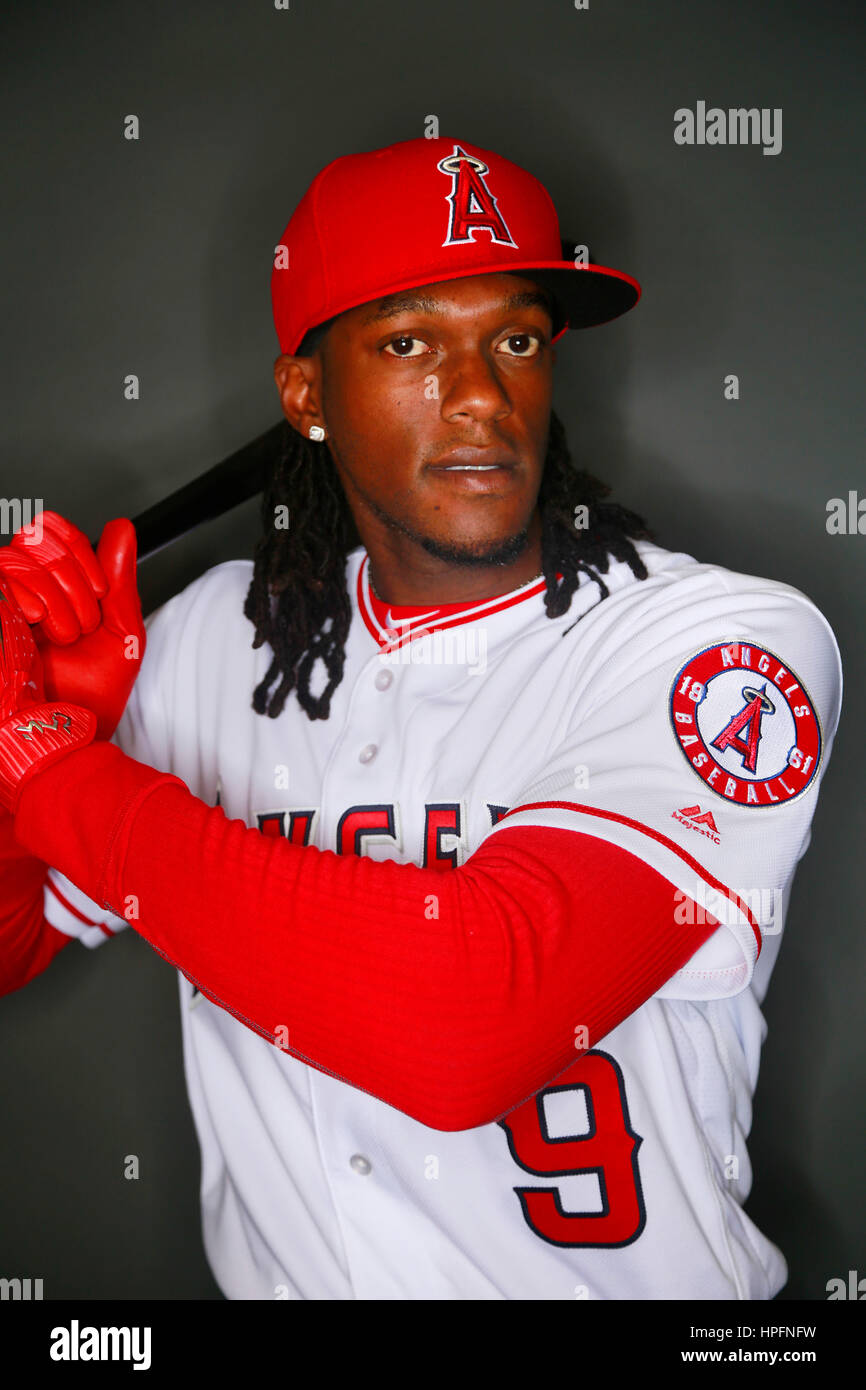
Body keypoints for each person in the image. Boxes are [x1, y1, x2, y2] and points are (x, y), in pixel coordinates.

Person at [0, 136, 842, 1300]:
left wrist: (47, 773)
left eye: (514, 339)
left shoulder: (718, 645)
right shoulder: (206, 642)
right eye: (408, 344)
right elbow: (11, 943)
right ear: (306, 394)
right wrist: (30, 760)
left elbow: (467, 1030)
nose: (482, 398)